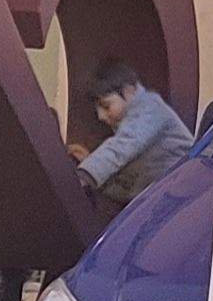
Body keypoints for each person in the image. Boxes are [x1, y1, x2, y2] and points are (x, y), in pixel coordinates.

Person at [72, 61, 198, 205]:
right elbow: (127, 185)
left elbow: (124, 145)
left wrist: (86, 174)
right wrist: (90, 162)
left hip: (185, 189)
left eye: (106, 106)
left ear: (129, 91)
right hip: (164, 195)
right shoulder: (127, 126)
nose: (101, 116)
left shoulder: (150, 108)